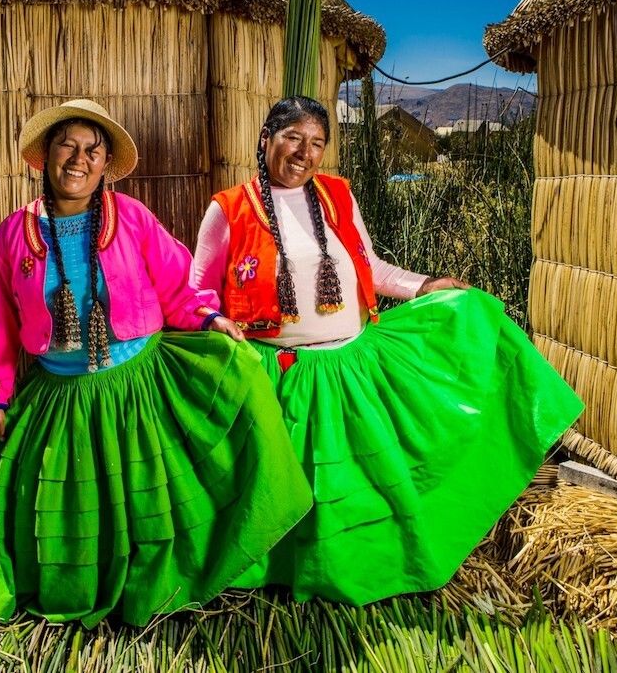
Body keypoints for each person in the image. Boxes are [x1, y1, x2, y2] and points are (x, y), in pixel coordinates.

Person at [192, 95, 584, 605]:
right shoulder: (229, 209)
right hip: (280, 372)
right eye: (292, 138)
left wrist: (426, 286)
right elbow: (197, 288)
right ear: (266, 140)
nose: (303, 153)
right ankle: (284, 571)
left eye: (316, 143)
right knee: (291, 487)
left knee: (363, 484)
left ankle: (366, 564)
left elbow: (370, 269)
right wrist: (213, 319)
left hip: (350, 364)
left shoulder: (335, 196)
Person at [0, 98, 311, 628]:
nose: (79, 159)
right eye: (67, 144)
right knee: (70, 511)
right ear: (45, 155)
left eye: (93, 150)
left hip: (139, 386)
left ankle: (157, 589)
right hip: (60, 398)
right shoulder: (13, 235)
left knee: (150, 503)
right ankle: (77, 587)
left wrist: (209, 320)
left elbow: (177, 284)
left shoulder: (130, 218)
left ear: (105, 165)